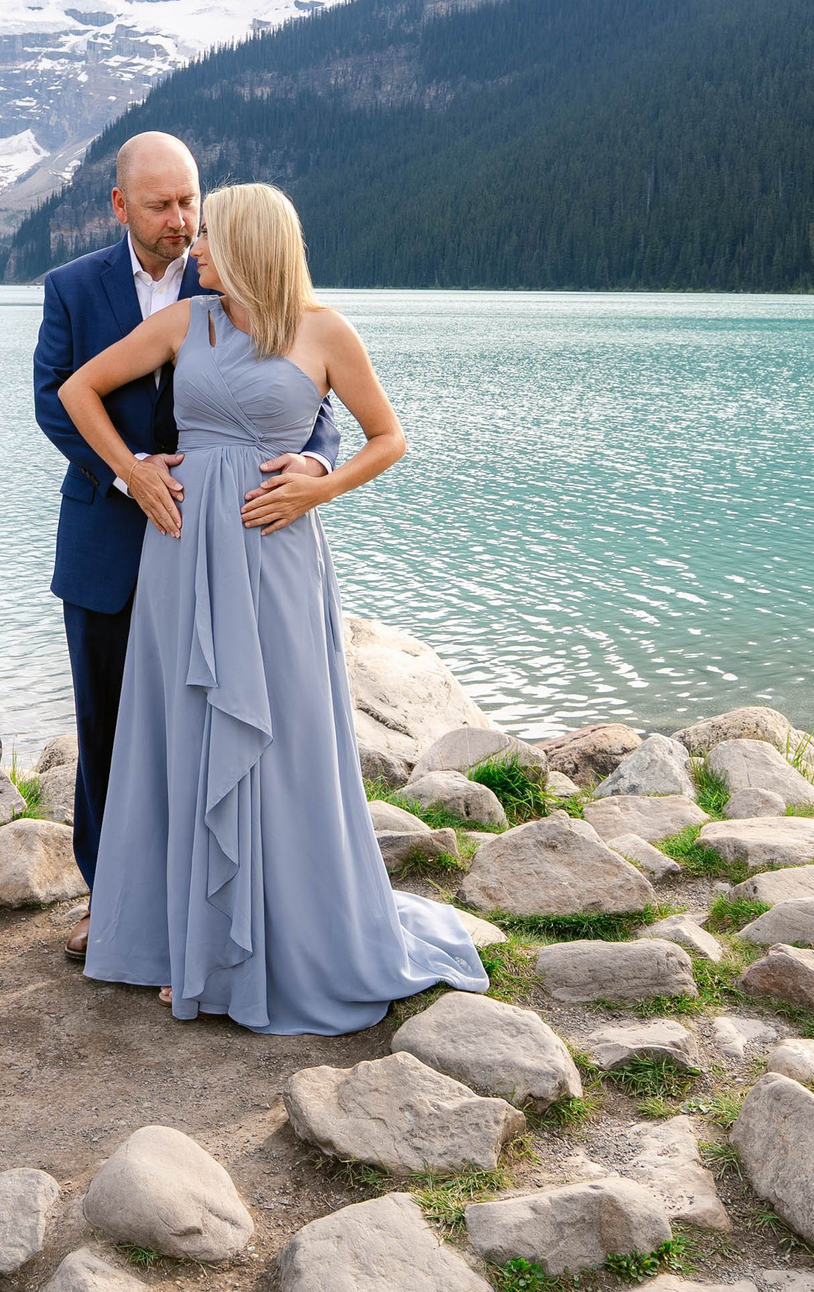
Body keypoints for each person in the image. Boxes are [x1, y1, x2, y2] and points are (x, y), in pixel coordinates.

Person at [58, 180, 490, 1034]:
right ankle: (194, 946)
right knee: (185, 735)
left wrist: (320, 482)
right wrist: (138, 470)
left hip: (277, 555)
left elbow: (388, 437)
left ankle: (279, 943)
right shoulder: (189, 324)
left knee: (283, 736)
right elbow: (78, 391)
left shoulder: (327, 331)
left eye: (210, 234)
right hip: (182, 556)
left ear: (250, 242)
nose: (195, 247)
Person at [33, 133, 339, 963]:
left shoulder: (243, 277)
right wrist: (131, 473)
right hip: (111, 532)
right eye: (163, 205)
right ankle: (115, 900)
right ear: (119, 204)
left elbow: (314, 406)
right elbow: (56, 401)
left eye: (190, 202)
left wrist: (313, 465)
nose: (181, 221)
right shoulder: (71, 287)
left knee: (218, 720)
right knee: (112, 727)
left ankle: (234, 908)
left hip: (235, 544)